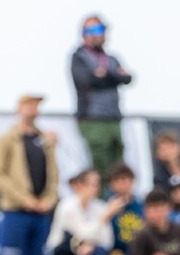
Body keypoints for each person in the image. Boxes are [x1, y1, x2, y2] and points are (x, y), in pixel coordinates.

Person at [0, 94, 59, 255]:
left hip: (40, 212)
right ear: (19, 108)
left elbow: (53, 175)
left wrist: (48, 200)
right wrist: (24, 199)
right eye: (28, 104)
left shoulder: (45, 139)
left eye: (36, 105)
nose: (33, 109)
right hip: (15, 211)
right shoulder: (7, 138)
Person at [71, 15, 133, 179]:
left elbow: (127, 78)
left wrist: (105, 75)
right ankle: (101, 202)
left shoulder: (111, 58)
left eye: (101, 29)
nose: (98, 34)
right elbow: (87, 79)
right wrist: (113, 76)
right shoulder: (79, 58)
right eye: (93, 30)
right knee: (100, 167)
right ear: (84, 33)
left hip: (113, 118)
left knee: (118, 169)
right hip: (93, 120)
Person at [47, 169, 120, 255]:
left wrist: (89, 245)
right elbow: (81, 235)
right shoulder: (67, 206)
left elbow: (107, 241)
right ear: (80, 185)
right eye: (92, 184)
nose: (96, 188)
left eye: (98, 184)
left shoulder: (100, 207)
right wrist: (104, 217)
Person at [127, 188, 180, 255]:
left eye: (157, 208)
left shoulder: (179, 230)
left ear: (168, 208)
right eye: (149, 209)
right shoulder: (142, 236)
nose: (153, 214)